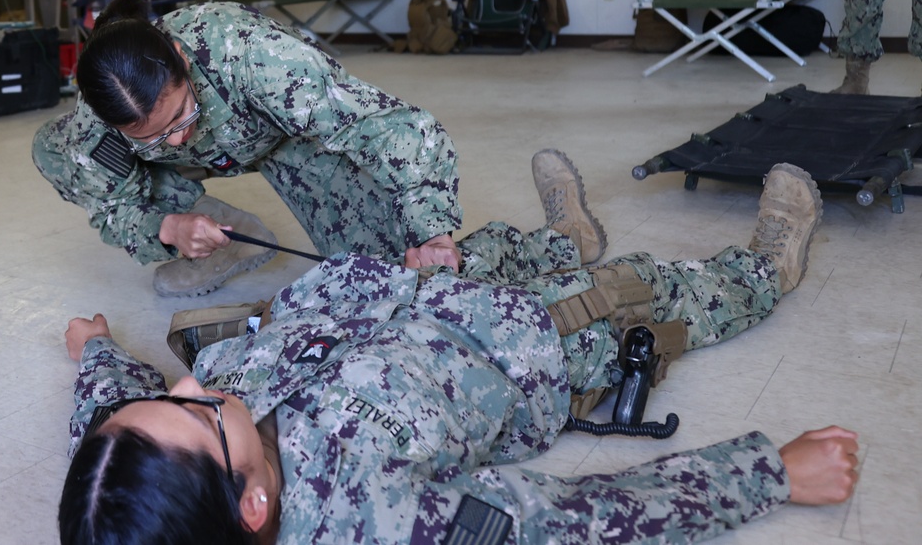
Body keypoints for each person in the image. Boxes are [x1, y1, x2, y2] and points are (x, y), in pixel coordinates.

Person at [58, 152, 858, 545]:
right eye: (197, 413)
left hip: (403, 292)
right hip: (534, 342)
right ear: (254, 504)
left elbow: (108, 418)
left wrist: (97, 351)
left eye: (166, 394)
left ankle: (562, 238)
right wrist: (771, 472)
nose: (192, 380)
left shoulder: (141, 500)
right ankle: (766, 266)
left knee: (491, 244)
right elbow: (582, 520)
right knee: (643, 290)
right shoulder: (380, 519)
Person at [32, 0, 468, 298]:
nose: (180, 137)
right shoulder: (97, 123)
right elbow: (114, 208)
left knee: (386, 275)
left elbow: (387, 128)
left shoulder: (254, 56)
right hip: (188, 169)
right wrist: (168, 228)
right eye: (154, 136)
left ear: (183, 61)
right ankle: (224, 234)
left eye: (182, 114)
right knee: (52, 148)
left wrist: (430, 229)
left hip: (287, 140)